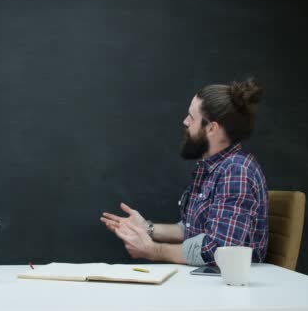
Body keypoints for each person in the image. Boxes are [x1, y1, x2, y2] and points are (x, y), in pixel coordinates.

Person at [100, 80, 268, 266]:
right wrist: (147, 229)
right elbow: (192, 229)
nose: (185, 122)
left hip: (228, 289)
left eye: (192, 117)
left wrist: (154, 250)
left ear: (212, 128)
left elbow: (220, 250)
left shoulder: (236, 172)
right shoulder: (214, 168)